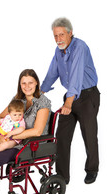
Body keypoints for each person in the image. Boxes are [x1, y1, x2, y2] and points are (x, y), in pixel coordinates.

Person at [41, 17, 100, 184]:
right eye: (55, 36)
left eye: (61, 35)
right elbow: (53, 71)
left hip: (87, 96)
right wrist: (40, 91)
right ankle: (62, 177)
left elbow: (76, 76)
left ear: (70, 33)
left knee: (89, 134)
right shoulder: (58, 51)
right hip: (70, 96)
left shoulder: (79, 47)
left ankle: (92, 169)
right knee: (61, 136)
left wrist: (68, 102)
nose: (58, 39)